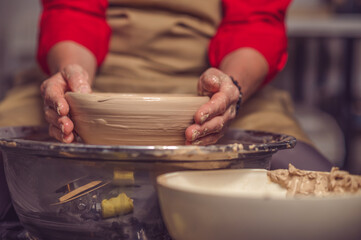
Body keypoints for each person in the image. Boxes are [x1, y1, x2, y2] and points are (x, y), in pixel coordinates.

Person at [0, 0, 332, 221]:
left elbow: (255, 20)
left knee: (317, 198)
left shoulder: (227, 85)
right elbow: (73, 10)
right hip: (85, 75)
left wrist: (230, 87)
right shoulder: (76, 76)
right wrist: (71, 76)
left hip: (218, 82)